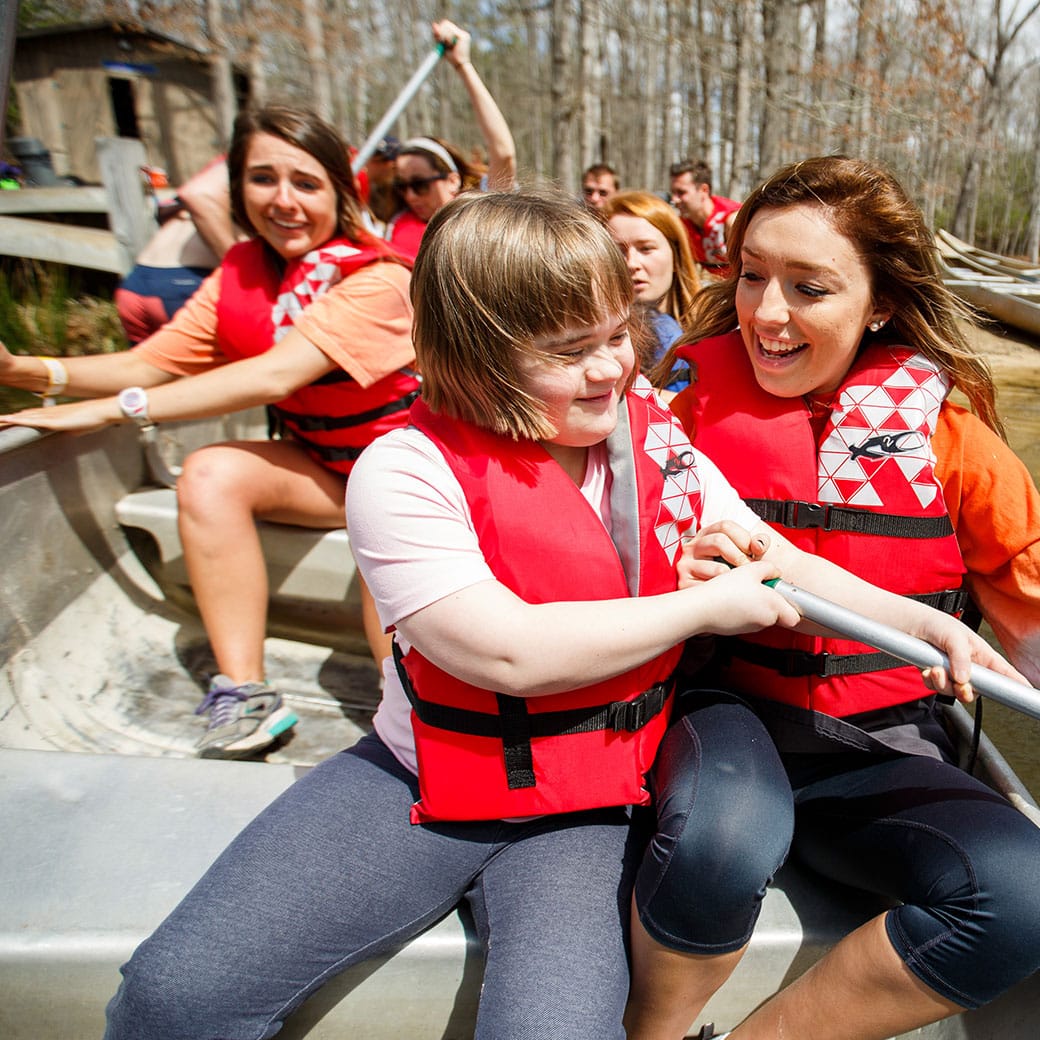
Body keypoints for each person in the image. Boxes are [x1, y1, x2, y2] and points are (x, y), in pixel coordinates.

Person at [98, 189, 1019, 1040]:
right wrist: (702, 606)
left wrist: (923, 623)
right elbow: (506, 655)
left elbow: (775, 560)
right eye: (568, 351)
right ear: (475, 353)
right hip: (419, 788)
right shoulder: (403, 470)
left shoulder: (647, 423)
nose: (612, 368)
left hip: (591, 806)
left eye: (617, 335)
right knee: (171, 998)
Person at [628, 156, 1040, 1040]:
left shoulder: (950, 434)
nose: (765, 314)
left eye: (809, 288)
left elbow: (1029, 606)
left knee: (1025, 895)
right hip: (723, 709)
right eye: (750, 276)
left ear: (881, 302)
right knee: (720, 843)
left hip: (880, 744)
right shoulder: (679, 401)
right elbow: (597, 553)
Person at [0, 103, 420, 760]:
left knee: (382, 523)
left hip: (404, 471)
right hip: (323, 468)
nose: (283, 201)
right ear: (236, 189)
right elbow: (147, 362)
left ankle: (410, 715)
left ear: (341, 192)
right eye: (262, 179)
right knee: (208, 472)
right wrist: (27, 370)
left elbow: (272, 378)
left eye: (305, 184)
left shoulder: (381, 280)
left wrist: (115, 409)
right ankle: (245, 695)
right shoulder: (240, 272)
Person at [384, 19, 516, 260]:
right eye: (402, 186)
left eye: (420, 184)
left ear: (452, 180)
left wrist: (462, 64)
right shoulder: (394, 220)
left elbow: (503, 153)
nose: (411, 196)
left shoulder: (479, 214)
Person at [115, 156, 242, 344]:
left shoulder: (218, 169)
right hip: (181, 285)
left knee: (142, 369)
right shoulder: (246, 161)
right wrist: (244, 273)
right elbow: (194, 194)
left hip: (135, 284)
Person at [603, 190, 702, 395]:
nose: (631, 263)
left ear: (676, 255)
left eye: (646, 248)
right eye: (618, 251)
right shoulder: (594, 340)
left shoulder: (716, 327)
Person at [669, 158, 740, 278]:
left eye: (681, 192)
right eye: (673, 193)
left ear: (704, 190)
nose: (674, 199)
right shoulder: (682, 224)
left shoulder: (731, 220)